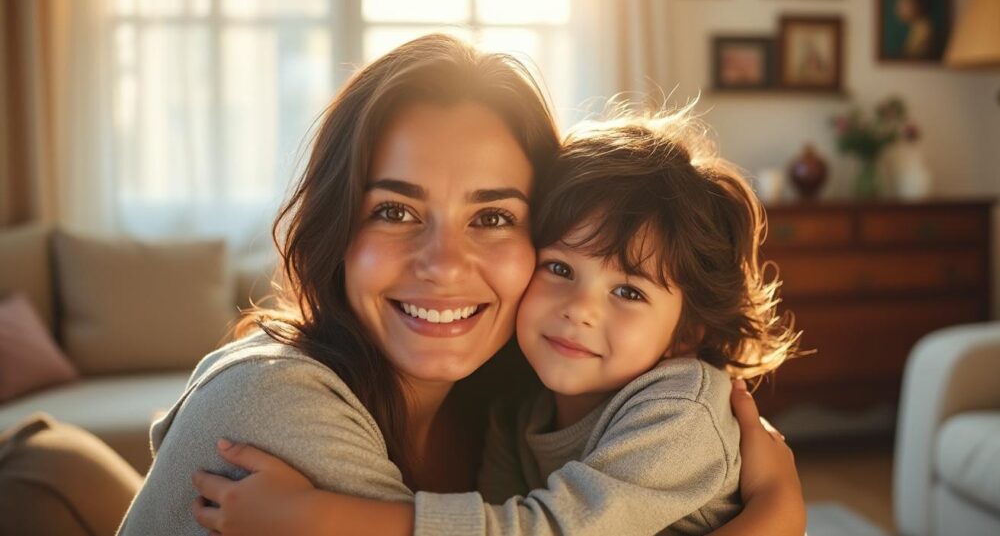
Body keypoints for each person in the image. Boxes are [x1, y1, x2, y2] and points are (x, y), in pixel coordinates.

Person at [116, 34, 805, 535]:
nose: (443, 263)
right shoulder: (273, 406)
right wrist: (775, 516)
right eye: (394, 210)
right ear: (336, 230)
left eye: (493, 216)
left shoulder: (509, 394)